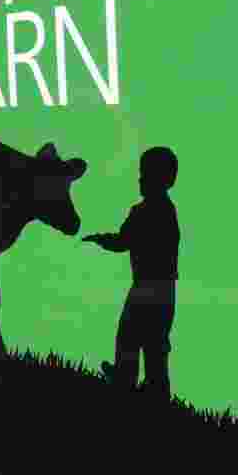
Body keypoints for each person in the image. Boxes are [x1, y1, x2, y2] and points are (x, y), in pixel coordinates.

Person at [83, 147, 180, 401]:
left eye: (145, 174)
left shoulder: (144, 211)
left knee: (131, 336)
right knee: (154, 344)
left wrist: (101, 239)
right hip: (165, 290)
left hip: (147, 288)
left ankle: (127, 381)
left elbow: (122, 241)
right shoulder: (168, 211)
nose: (140, 179)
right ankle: (151, 389)